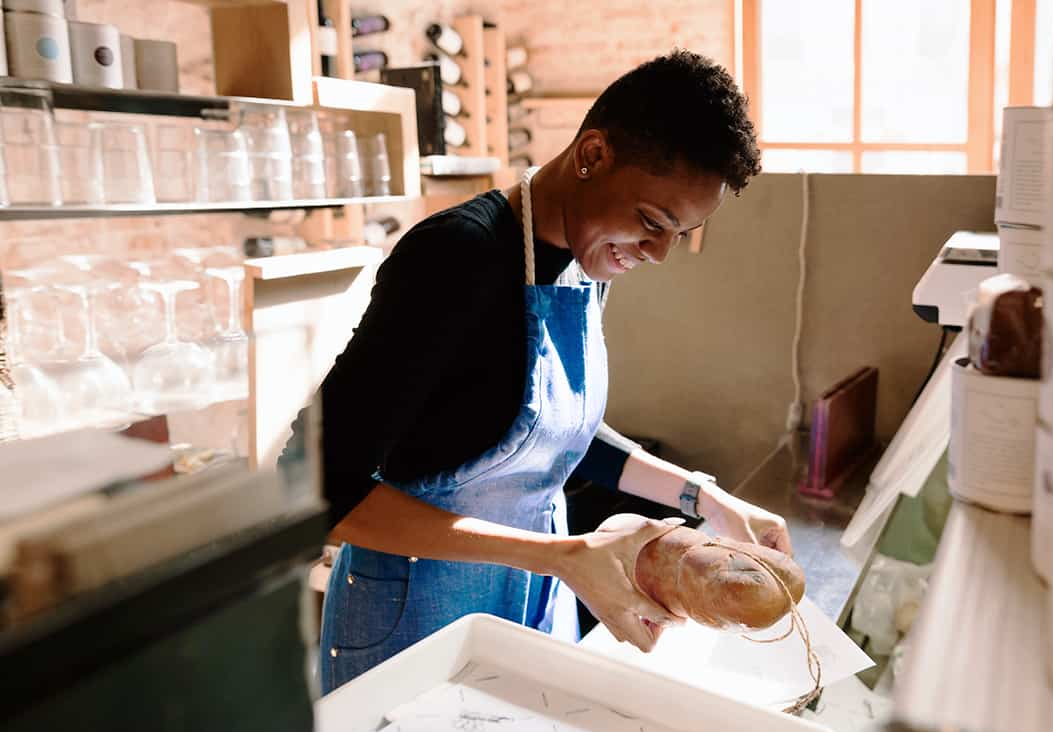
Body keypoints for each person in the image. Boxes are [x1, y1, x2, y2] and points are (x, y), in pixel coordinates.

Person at [306, 50, 791, 694]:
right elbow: (320, 492)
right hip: (416, 613)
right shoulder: (457, 258)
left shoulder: (583, 266)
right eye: (653, 223)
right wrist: (561, 558)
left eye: (682, 233)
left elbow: (558, 435)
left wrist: (703, 497)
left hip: (535, 593)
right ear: (592, 155)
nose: (659, 254)